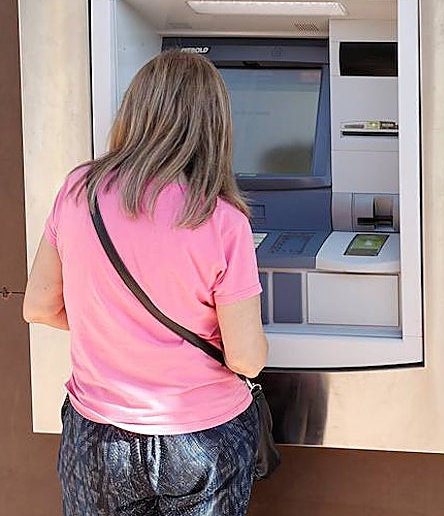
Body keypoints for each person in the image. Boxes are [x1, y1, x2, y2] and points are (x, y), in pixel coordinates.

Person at [23, 50, 268, 516]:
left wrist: (118, 330)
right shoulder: (222, 220)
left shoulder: (79, 192)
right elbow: (246, 359)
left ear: (135, 110)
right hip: (202, 436)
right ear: (214, 126)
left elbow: (38, 306)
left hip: (98, 433)